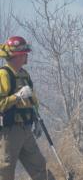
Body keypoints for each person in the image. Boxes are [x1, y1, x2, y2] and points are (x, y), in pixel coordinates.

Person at [0, 36, 55, 179]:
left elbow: (33, 100)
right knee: (5, 170)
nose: (27, 56)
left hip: (26, 129)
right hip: (8, 132)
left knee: (38, 165)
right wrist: (17, 96)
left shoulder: (24, 75)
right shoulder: (4, 75)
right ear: (17, 56)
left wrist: (36, 120)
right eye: (24, 53)